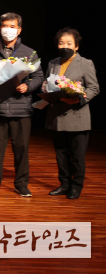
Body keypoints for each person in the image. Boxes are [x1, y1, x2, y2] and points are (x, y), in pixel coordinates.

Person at [0, 12, 43, 197]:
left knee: (21, 150)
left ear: (19, 30)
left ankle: (21, 184)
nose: (9, 30)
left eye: (12, 27)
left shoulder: (29, 52)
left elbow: (39, 76)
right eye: (5, 26)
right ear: (0, 29)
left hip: (21, 108)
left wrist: (28, 86)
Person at [44, 28, 99, 199]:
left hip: (77, 116)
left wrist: (79, 99)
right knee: (61, 154)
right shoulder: (53, 63)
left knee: (77, 156)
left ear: (76, 46)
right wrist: (46, 89)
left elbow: (94, 88)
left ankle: (76, 186)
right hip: (57, 115)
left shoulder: (85, 63)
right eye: (61, 43)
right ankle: (64, 184)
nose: (65, 46)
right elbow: (47, 83)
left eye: (69, 43)